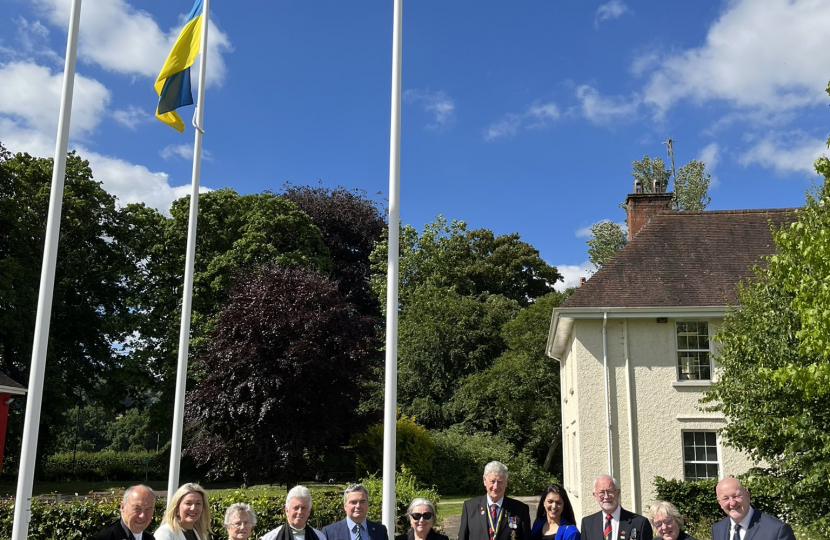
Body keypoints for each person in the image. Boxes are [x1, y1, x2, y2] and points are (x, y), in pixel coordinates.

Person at [458, 461, 532, 540]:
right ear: (484, 481)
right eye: (492, 481)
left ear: (506, 482)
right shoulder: (469, 507)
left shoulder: (521, 509)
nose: (496, 487)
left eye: (500, 482)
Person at [712, 477, 795, 540]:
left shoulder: (777, 530)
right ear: (720, 503)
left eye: (736, 496)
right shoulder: (717, 529)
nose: (732, 503)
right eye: (725, 498)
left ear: (747, 496)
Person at [580, 475, 652, 540]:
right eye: (601, 492)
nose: (606, 496)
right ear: (595, 495)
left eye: (610, 491)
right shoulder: (587, 524)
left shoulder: (639, 523)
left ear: (618, 493)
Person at [322, 483, 389, 540]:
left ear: (367, 504)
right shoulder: (329, 532)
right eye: (353, 502)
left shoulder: (380, 531)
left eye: (362, 502)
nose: (358, 506)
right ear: (345, 506)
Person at [90, 485, 157, 540]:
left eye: (148, 509)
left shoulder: (149, 538)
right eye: (137, 508)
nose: (142, 516)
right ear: (122, 507)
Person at [261, 485, 327, 540]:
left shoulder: (319, 537)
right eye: (296, 508)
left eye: (304, 508)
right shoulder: (271, 538)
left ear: (309, 511)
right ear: (286, 510)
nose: (300, 512)